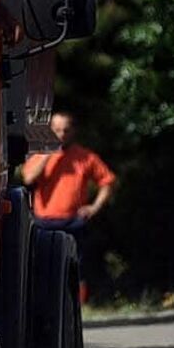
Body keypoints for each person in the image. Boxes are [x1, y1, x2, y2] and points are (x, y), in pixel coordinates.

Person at [22, 110, 117, 302]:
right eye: (57, 130)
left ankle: (77, 306)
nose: (61, 135)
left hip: (73, 221)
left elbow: (108, 181)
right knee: (41, 265)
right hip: (44, 222)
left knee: (76, 266)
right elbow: (28, 178)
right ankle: (43, 303)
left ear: (73, 131)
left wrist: (94, 207)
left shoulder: (84, 156)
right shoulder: (39, 155)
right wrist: (49, 154)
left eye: (66, 130)